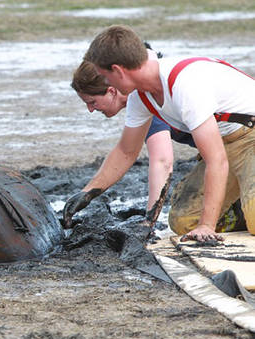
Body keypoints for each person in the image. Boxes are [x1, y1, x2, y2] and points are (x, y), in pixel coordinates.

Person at [64, 24, 255, 242]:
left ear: (118, 71)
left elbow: (217, 160)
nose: (107, 84)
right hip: (226, 145)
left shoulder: (184, 85)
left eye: (104, 76)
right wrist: (88, 192)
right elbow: (126, 152)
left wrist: (206, 226)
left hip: (250, 137)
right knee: (183, 222)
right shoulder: (141, 97)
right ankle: (242, 205)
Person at [71, 59, 195, 213]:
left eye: (92, 102)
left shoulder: (145, 97)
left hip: (227, 146)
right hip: (215, 147)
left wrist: (149, 220)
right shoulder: (137, 101)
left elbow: (162, 161)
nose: (90, 109)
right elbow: (125, 152)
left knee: (184, 220)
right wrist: (87, 193)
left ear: (111, 91)